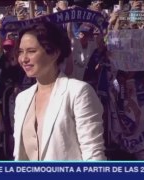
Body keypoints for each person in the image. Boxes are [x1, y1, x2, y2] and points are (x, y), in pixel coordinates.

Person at [13, 21, 106, 160]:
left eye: (31, 51)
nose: (24, 59)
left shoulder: (78, 92)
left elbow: (93, 155)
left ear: (54, 53)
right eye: (21, 52)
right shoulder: (22, 98)